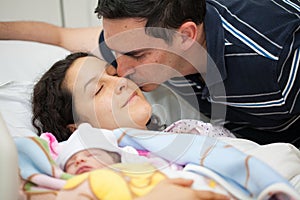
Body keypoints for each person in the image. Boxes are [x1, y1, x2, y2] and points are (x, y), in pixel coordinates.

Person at [1, 0, 300, 146]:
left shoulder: (278, 58)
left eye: (135, 56)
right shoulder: (132, 37)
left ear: (186, 37)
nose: (121, 72)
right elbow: (59, 36)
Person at [32, 52, 235, 142]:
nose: (121, 82)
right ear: (76, 127)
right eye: (98, 89)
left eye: (113, 74)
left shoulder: (192, 133)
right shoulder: (86, 169)